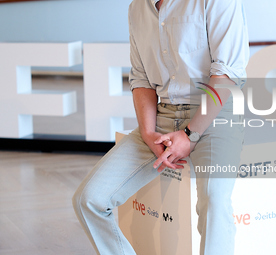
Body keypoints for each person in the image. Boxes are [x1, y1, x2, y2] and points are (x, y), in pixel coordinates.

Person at [72, 0, 249, 254]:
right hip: (163, 115)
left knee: (214, 201)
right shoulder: (137, 8)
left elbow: (227, 73)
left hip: (215, 116)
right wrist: (147, 131)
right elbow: (141, 77)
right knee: (88, 200)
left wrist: (191, 134)